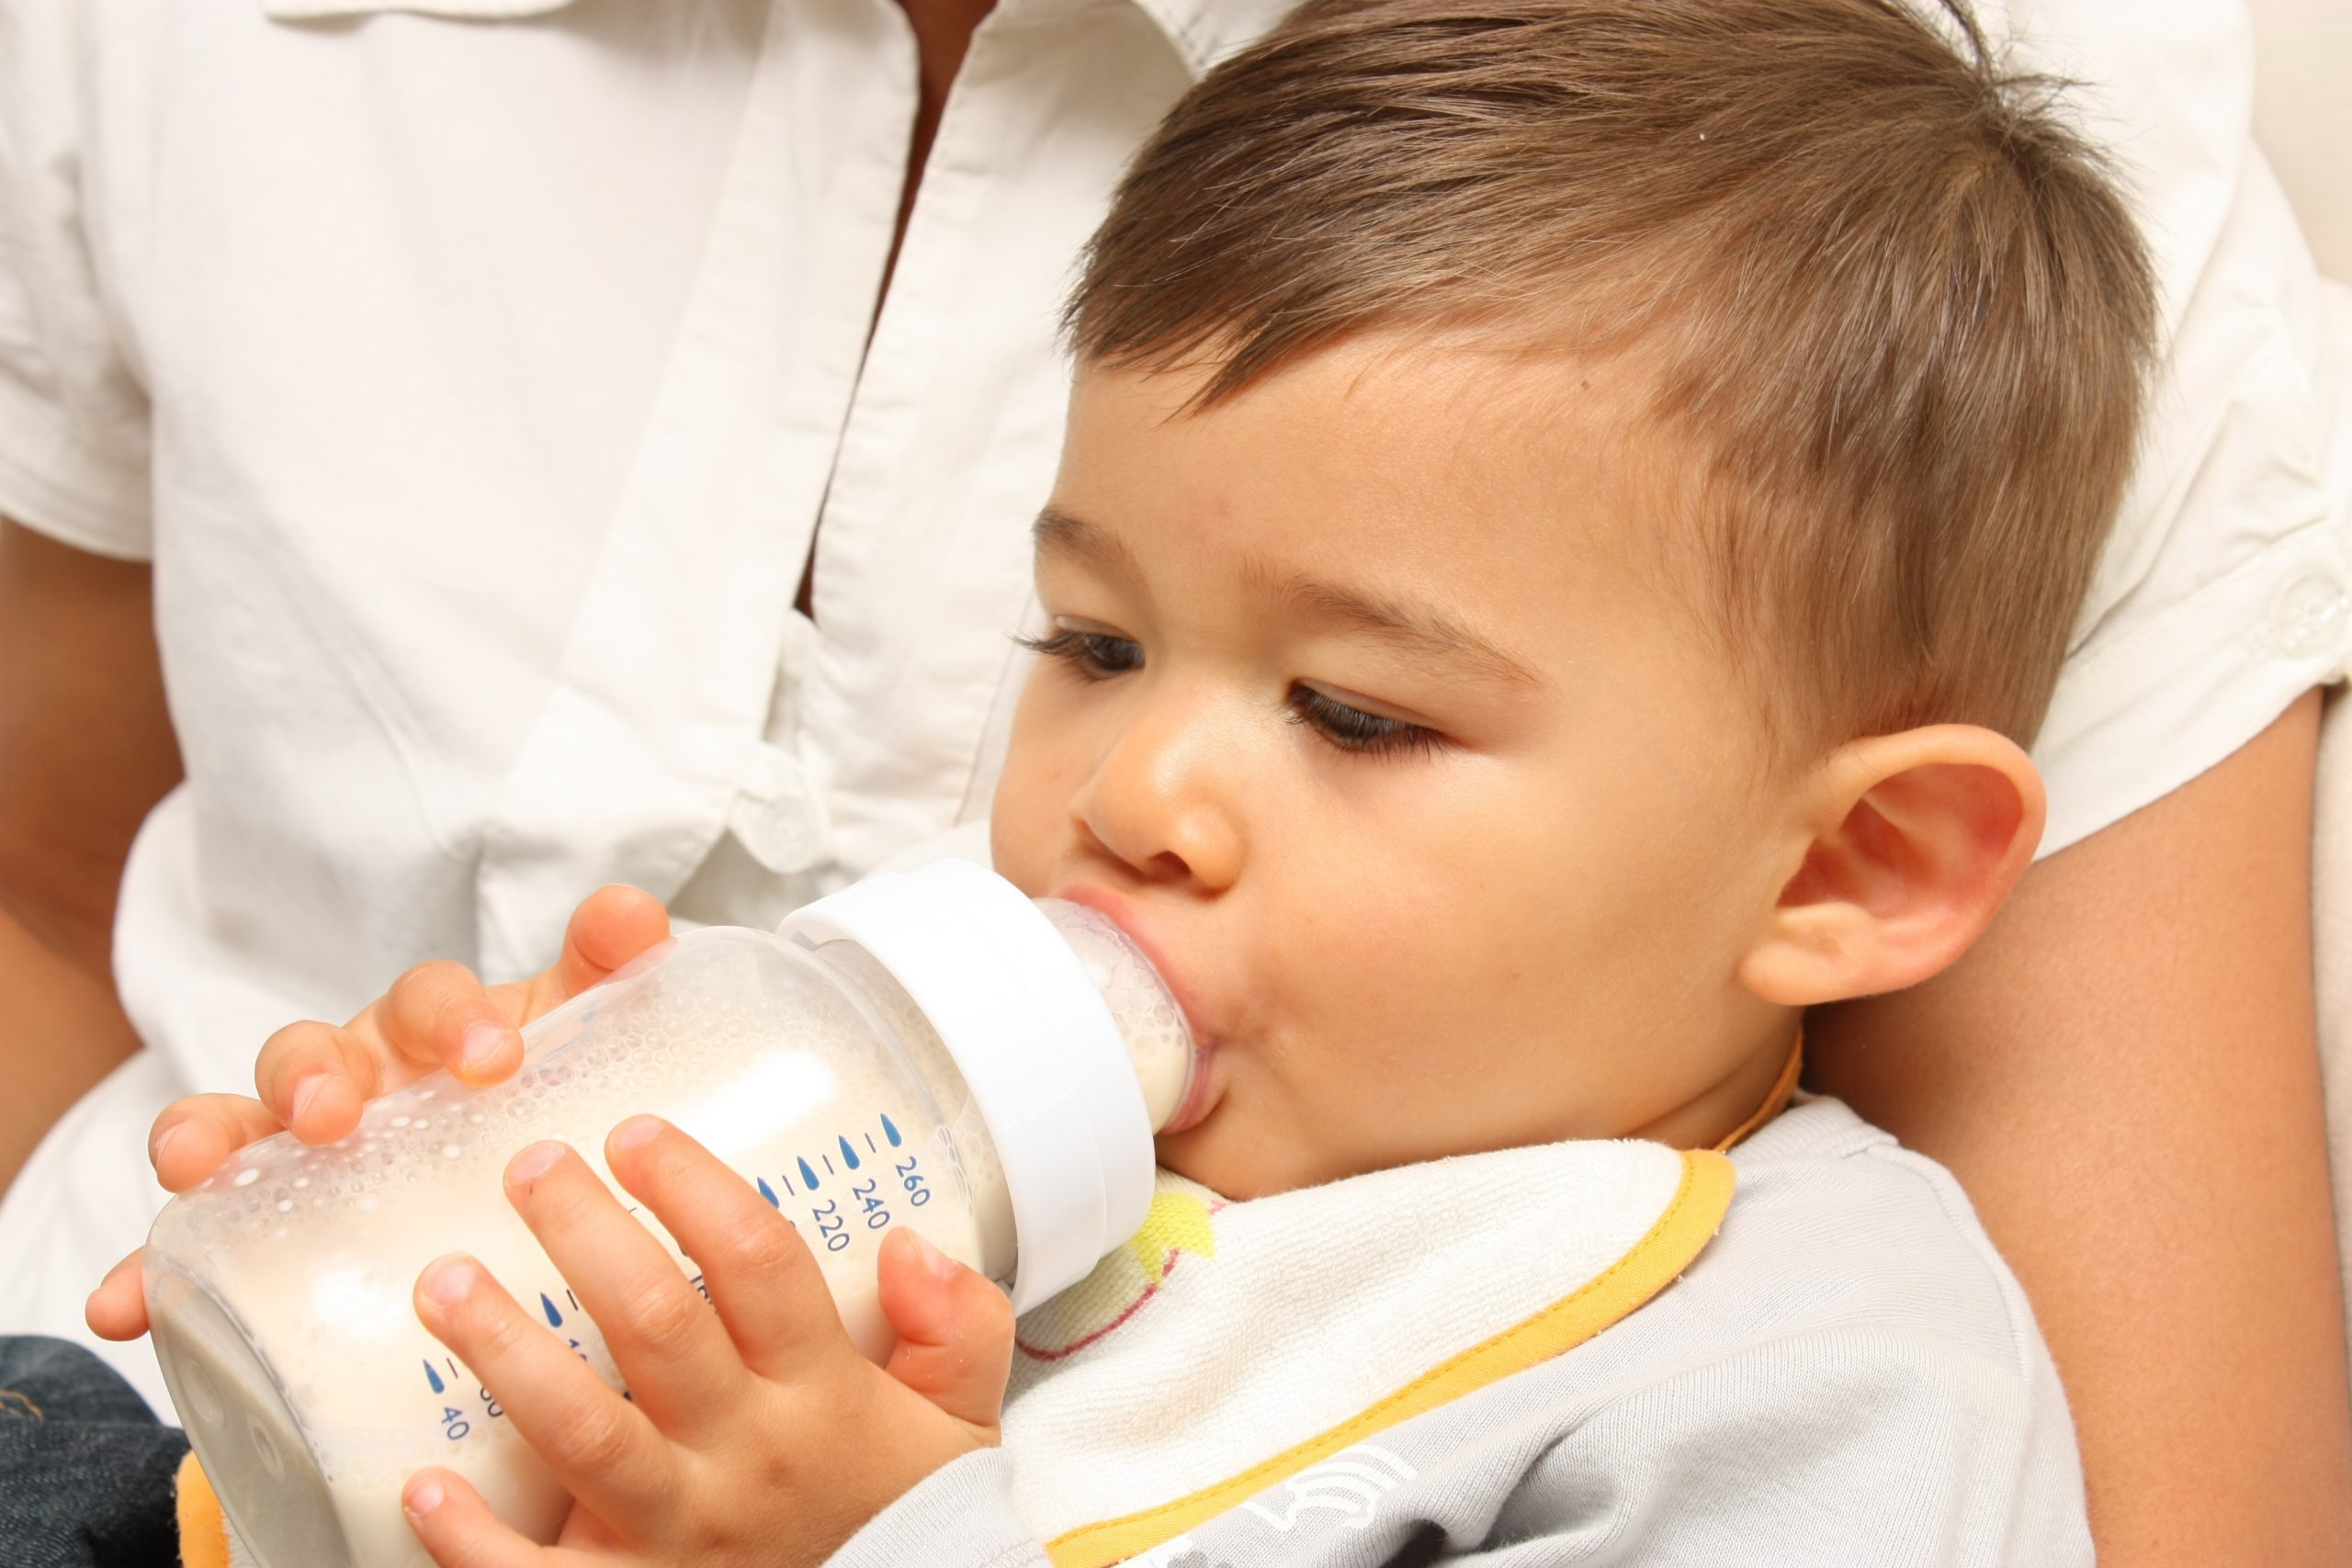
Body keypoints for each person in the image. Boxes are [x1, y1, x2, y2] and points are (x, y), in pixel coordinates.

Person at [5, 0, 2348, 1562]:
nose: (1132, 788)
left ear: (1846, 858)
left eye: (1353, 713)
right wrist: (481, 1230)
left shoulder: (1809, 1384)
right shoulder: (998, 1191)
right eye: (1089, 639)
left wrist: (875, 1532)